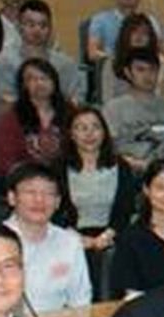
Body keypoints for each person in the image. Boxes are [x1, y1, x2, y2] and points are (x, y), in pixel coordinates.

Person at [0, 163, 92, 316]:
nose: (39, 200)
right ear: (12, 198)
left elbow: (80, 301)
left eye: (49, 193)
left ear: (57, 202)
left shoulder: (70, 243)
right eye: (30, 192)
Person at [102, 161, 164, 299]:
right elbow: (130, 294)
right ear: (146, 190)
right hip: (149, 313)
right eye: (161, 188)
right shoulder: (131, 238)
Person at [59, 106, 141, 252]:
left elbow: (125, 209)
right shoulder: (58, 168)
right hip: (68, 237)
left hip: (114, 237)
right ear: (71, 134)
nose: (89, 134)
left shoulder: (121, 166)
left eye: (95, 127)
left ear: (104, 132)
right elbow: (55, 211)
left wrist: (107, 236)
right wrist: (78, 238)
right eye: (81, 128)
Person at [0, 0, 85, 106]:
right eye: (31, 25)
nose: (37, 30)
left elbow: (74, 99)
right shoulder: (3, 62)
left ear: (50, 29)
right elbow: (4, 99)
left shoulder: (65, 63)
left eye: (43, 25)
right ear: (19, 27)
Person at [0, 57, 72, 178]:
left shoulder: (72, 113)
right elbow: (6, 163)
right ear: (23, 85)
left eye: (44, 78)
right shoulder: (12, 118)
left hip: (66, 178)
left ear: (54, 82)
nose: (39, 83)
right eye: (32, 79)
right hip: (26, 180)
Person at [102, 52, 164, 166]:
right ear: (128, 73)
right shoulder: (113, 108)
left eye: (153, 70)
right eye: (141, 70)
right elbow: (107, 147)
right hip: (126, 170)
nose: (148, 75)